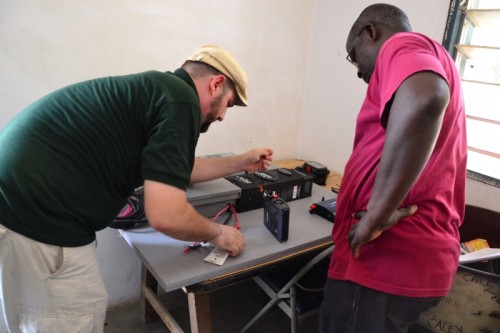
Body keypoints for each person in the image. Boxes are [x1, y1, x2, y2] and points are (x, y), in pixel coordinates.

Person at [0, 44, 273, 333]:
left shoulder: (158, 89)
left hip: (16, 206)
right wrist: (218, 233)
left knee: (34, 318)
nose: (221, 118)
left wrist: (241, 162)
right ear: (216, 84)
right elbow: (166, 214)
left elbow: (181, 168)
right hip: (40, 221)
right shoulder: (182, 102)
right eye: (228, 105)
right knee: (75, 319)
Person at [319, 4, 466, 333]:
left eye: (356, 59)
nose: (361, 74)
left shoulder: (401, 45)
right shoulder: (436, 59)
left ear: (369, 33)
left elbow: (426, 100)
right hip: (403, 264)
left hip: (383, 262)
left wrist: (377, 216)